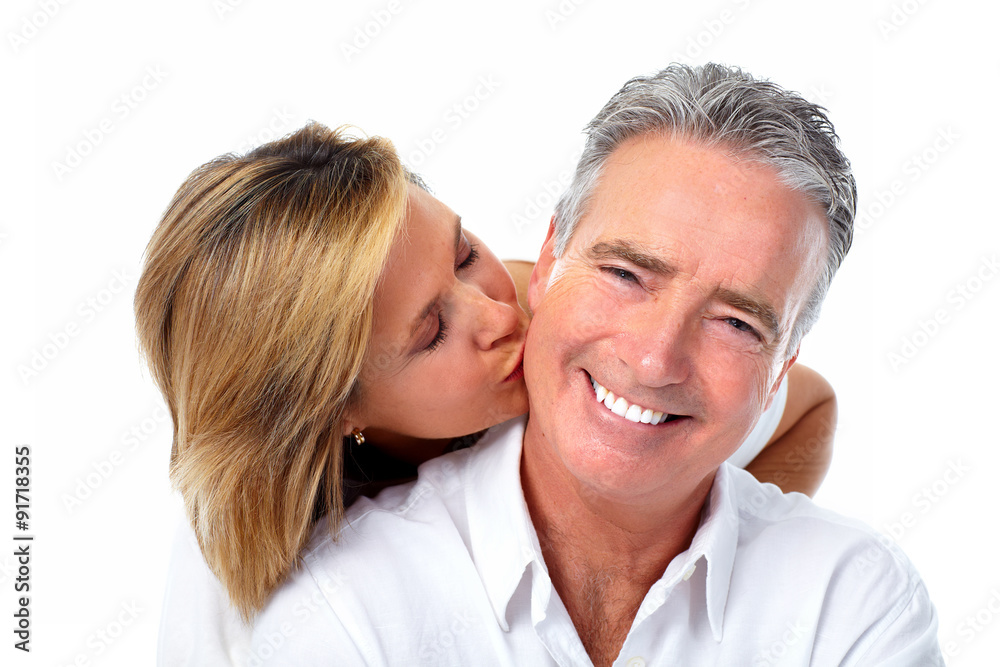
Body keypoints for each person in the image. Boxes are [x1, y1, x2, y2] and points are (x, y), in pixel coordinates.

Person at [237, 64, 943, 665]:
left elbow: (808, 409)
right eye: (626, 274)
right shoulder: (339, 605)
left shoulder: (857, 602)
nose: (654, 358)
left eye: (737, 322)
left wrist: (714, 535)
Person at [141, 121, 834, 662]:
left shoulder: (565, 338)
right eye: (432, 333)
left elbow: (810, 408)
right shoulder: (240, 569)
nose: (499, 316)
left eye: (465, 254)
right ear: (333, 408)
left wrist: (702, 554)